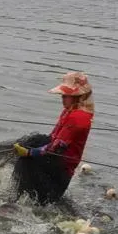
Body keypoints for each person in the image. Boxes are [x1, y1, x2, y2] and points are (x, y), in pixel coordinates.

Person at [11, 71, 94, 205]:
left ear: (78, 96)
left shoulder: (78, 118)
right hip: (55, 164)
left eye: (66, 95)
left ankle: (20, 202)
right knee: (35, 144)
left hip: (59, 171)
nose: (62, 98)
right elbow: (52, 137)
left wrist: (29, 152)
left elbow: (55, 147)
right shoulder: (69, 111)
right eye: (63, 95)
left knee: (29, 156)